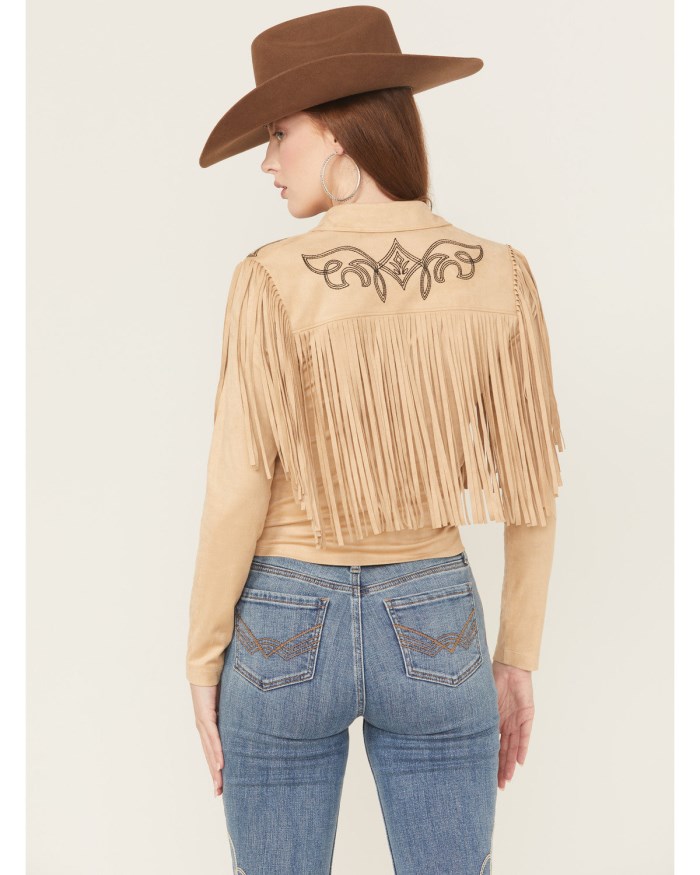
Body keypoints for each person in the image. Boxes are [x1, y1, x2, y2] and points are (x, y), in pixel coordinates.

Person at [186, 6, 564, 874]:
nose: (268, 162)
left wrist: (203, 657)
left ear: (342, 131)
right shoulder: (503, 275)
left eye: (279, 133)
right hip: (435, 616)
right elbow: (532, 488)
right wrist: (516, 656)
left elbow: (236, 487)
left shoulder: (269, 279)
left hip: (283, 623)